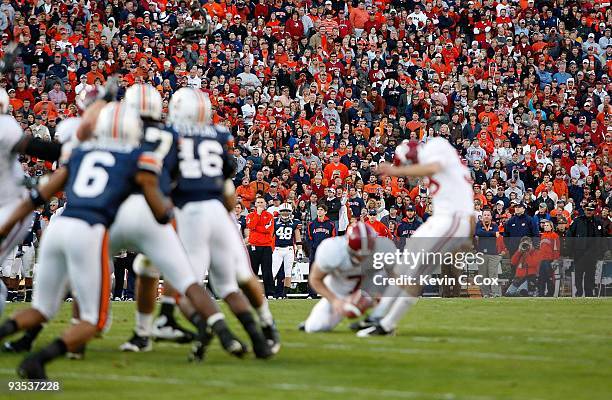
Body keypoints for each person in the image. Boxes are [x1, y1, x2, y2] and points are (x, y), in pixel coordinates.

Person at [0, 102, 175, 379]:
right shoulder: (136, 158)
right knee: (94, 321)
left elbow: (38, 198)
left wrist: (4, 228)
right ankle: (39, 359)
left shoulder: (80, 152)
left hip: (59, 226)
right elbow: (160, 213)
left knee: (41, 309)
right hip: (89, 231)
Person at [169, 88, 275, 358]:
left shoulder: (170, 137)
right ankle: (260, 339)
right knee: (228, 284)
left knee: (188, 284)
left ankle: (223, 335)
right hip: (218, 210)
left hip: (191, 212)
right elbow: (227, 170)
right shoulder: (217, 135)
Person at [357, 138, 474, 336]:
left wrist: (397, 171)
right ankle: (378, 315)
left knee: (416, 272)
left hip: (452, 218)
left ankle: (387, 325)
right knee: (404, 265)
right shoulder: (443, 162)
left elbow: (434, 166)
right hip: (442, 219)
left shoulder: (435, 147)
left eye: (406, 166)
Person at [301, 222, 396, 332]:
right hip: (339, 290)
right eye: (358, 255)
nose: (363, 258)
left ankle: (375, 319)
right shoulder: (332, 249)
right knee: (314, 327)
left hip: (368, 286)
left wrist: (378, 295)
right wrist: (335, 301)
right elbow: (315, 279)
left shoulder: (384, 248)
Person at [567, 202, 607, 297]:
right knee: (579, 273)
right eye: (587, 209)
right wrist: (571, 250)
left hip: (593, 253)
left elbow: (603, 237)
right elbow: (569, 235)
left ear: (593, 211)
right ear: (584, 210)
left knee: (591, 273)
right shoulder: (577, 221)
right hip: (579, 252)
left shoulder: (598, 222)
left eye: (591, 210)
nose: (589, 211)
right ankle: (579, 291)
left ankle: (589, 292)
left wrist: (601, 251)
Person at [272, 203, 302, 299]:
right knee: (273, 271)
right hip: (277, 249)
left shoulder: (295, 222)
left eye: (287, 211)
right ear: (280, 212)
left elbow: (297, 237)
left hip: (289, 249)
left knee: (288, 272)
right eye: (283, 211)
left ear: (291, 212)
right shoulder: (274, 221)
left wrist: (300, 250)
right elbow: (270, 235)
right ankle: (270, 292)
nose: (285, 213)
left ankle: (284, 294)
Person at [247, 196, 275, 298]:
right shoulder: (250, 215)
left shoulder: (269, 216)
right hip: (254, 246)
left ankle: (270, 293)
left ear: (265, 204)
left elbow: (268, 230)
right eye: (258, 202)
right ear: (255, 204)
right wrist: (258, 215)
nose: (259, 204)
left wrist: (256, 228)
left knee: (267, 270)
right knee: (252, 271)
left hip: (266, 246)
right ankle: (251, 293)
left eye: (261, 202)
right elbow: (251, 226)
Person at [306, 204, 336, 298]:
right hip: (315, 251)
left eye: (321, 210)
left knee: (327, 272)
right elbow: (309, 238)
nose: (319, 211)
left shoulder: (331, 224)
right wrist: (312, 247)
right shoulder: (311, 224)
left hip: (326, 252)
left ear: (325, 212)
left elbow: (333, 238)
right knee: (312, 272)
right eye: (318, 209)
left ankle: (327, 293)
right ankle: (312, 294)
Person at [474, 209, 503, 297]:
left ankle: (495, 293)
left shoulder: (494, 225)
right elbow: (478, 233)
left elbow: (497, 234)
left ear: (491, 216)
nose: (486, 216)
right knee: (483, 274)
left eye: (488, 215)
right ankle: (485, 293)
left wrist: (485, 233)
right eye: (485, 215)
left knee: (493, 274)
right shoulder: (478, 224)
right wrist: (491, 234)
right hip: (481, 253)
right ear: (482, 216)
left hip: (493, 253)